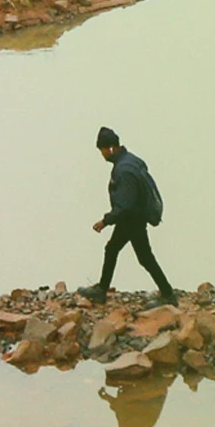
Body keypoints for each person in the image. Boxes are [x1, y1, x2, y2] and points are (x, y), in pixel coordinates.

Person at [79, 126, 175, 306]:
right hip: (130, 218)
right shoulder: (132, 161)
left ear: (110, 148)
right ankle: (101, 290)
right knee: (112, 248)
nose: (102, 155)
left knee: (145, 257)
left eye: (102, 150)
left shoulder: (123, 171)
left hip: (133, 219)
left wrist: (105, 221)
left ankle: (168, 295)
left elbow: (125, 204)